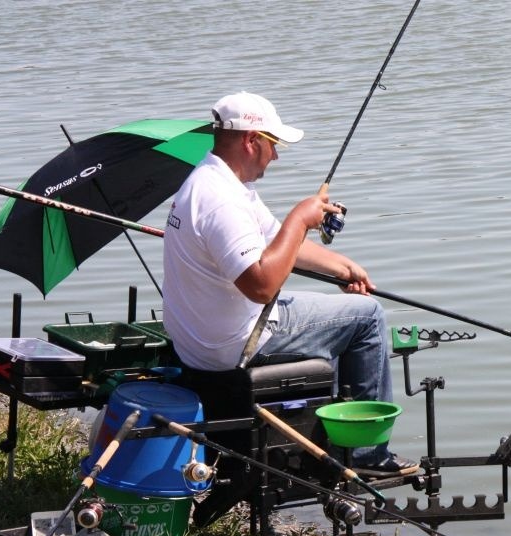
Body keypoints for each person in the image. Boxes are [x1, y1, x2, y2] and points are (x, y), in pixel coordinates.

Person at [162, 91, 417, 479]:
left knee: (344, 307)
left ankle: (325, 430)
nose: (276, 156)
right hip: (236, 344)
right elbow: (262, 286)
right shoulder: (221, 202)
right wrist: (300, 218)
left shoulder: (212, 181)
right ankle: (365, 456)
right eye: (272, 145)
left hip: (202, 342)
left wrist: (343, 268)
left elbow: (275, 243)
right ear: (251, 141)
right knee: (367, 316)